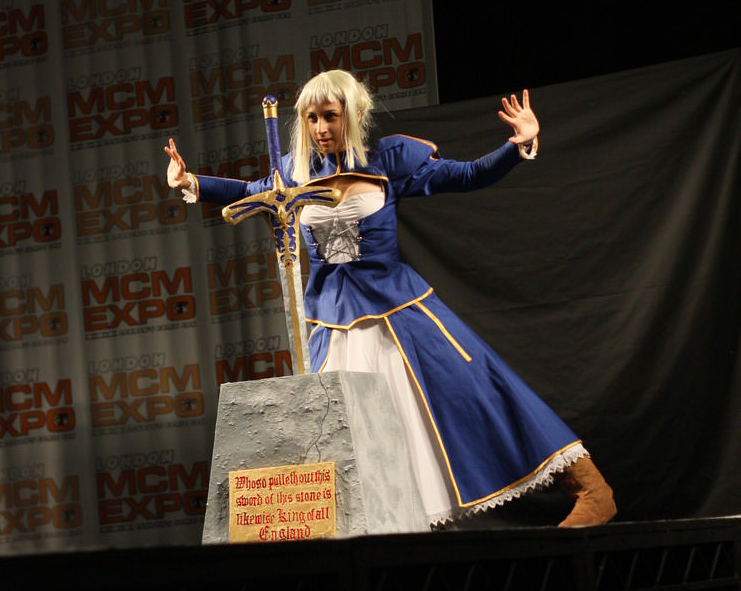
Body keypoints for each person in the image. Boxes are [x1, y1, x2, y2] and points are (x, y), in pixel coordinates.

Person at [165, 69, 616, 529]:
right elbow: (246, 193)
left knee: (474, 389)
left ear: (354, 115)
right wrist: (190, 181)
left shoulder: (388, 161)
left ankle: (591, 489)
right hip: (333, 323)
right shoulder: (293, 175)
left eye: (330, 116)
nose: (320, 128)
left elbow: (466, 175)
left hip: (397, 308)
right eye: (311, 118)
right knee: (348, 435)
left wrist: (517, 145)